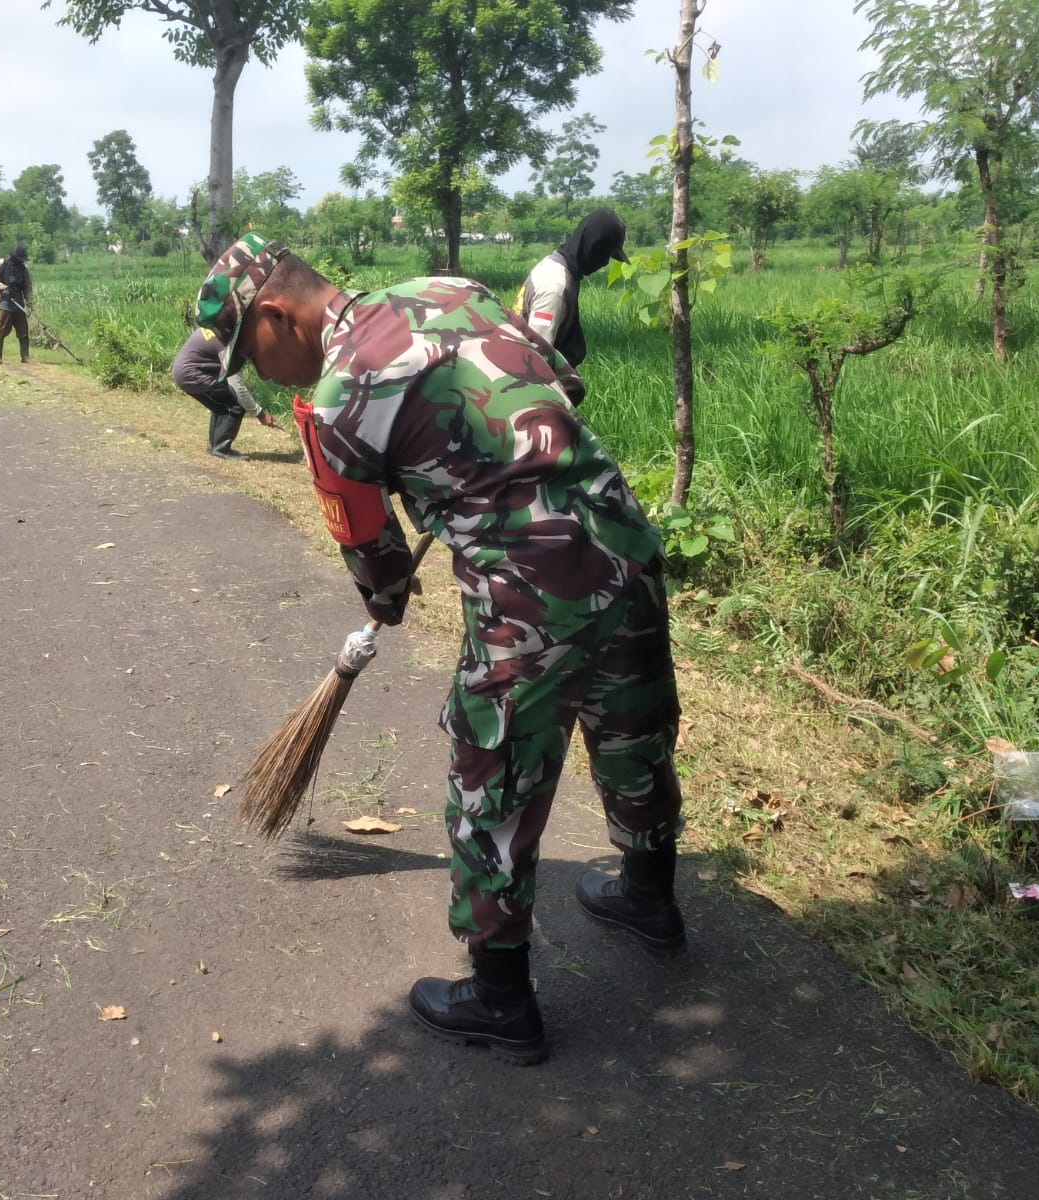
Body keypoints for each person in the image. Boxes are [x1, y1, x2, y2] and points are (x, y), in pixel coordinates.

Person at [197, 233, 685, 1066]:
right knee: (631, 729)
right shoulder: (449, 289)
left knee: (491, 776)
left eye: (252, 348)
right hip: (621, 541)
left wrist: (386, 597)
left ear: (277, 314)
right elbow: (554, 378)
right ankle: (648, 897)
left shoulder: (342, 402)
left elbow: (374, 552)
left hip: (534, 589)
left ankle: (500, 1000)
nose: (257, 372)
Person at [517, 207, 629, 368]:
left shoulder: (554, 265)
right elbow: (538, 359)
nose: (604, 263)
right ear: (594, 246)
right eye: (606, 254)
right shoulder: (554, 286)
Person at [171, 327, 279, 459]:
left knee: (221, 404)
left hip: (185, 371)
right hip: (191, 374)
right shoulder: (233, 344)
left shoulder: (224, 326)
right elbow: (237, 388)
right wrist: (260, 414)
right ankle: (221, 449)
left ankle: (214, 446)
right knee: (235, 406)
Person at [0, 244, 33, 364]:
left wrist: (30, 303)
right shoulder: (1, 264)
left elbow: (28, 287)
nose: (22, 261)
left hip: (19, 302)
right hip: (5, 303)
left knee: (23, 330)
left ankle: (25, 356)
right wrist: (3, 287)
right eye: (20, 258)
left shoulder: (24, 268)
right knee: (2, 329)